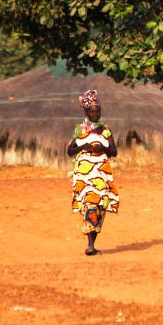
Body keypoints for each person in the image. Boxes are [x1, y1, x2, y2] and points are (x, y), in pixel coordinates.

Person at [66, 89, 119, 256]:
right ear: (86, 112)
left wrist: (102, 147)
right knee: (89, 205)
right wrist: (84, 147)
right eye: (92, 111)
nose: (95, 114)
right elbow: (70, 150)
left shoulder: (105, 129)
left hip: (101, 173)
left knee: (100, 207)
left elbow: (114, 151)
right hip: (84, 175)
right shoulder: (80, 129)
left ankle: (92, 244)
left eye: (98, 111)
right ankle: (89, 245)